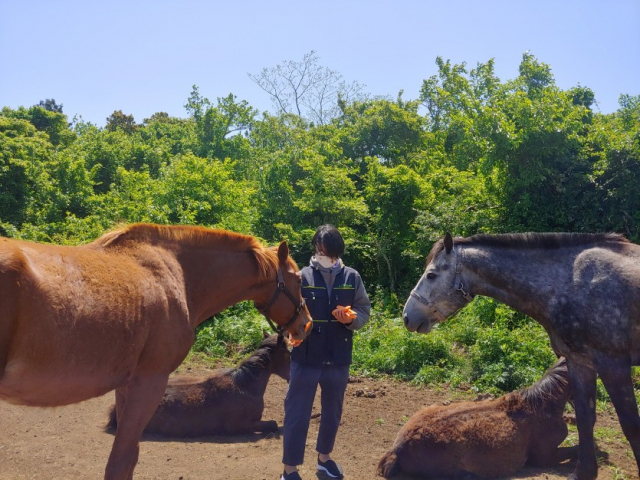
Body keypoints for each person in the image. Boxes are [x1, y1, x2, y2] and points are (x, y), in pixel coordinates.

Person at [281, 224, 371, 480]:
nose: (324, 256)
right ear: (315, 249)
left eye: (329, 252)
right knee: (297, 412)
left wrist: (351, 319)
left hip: (338, 358)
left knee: (332, 412)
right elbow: (286, 312)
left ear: (337, 251)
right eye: (320, 250)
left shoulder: (352, 277)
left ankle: (324, 459)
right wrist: (291, 333)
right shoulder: (302, 277)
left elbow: (363, 310)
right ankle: (289, 470)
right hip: (305, 357)